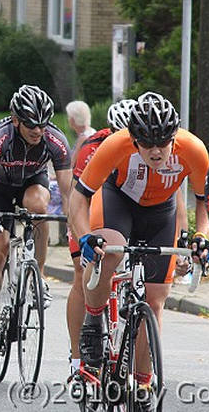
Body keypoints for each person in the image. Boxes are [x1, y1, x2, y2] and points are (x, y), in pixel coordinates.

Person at [71, 92, 209, 397]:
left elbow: (205, 202)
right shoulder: (115, 145)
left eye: (163, 142)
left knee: (155, 299)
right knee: (109, 250)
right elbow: (78, 198)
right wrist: (84, 236)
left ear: (174, 137)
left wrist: (201, 235)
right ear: (134, 139)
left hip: (160, 212)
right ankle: (93, 321)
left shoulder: (193, 149)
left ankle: (143, 383)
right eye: (146, 143)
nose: (156, 151)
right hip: (118, 201)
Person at [0, 85, 72, 365]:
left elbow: (68, 192)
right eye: (31, 125)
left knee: (39, 207)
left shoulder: (55, 139)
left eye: (43, 124)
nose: (38, 130)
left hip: (32, 182)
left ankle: (38, 275)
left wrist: (74, 227)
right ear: (16, 120)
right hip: (0, 188)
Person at [64, 98, 135, 376]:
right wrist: (82, 235)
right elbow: (77, 198)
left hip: (124, 212)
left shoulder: (147, 148)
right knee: (81, 277)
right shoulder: (92, 147)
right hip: (89, 210)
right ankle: (77, 358)